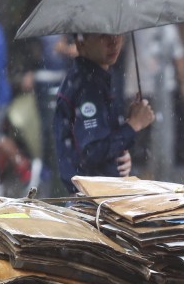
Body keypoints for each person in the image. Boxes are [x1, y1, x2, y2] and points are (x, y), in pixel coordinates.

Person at [53, 33, 155, 192]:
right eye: (103, 36)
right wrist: (133, 125)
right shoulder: (87, 86)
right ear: (81, 43)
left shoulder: (98, 79)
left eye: (118, 34)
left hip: (100, 195)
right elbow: (91, 152)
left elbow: (99, 144)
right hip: (91, 202)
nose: (114, 42)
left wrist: (118, 158)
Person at [122, 24, 184, 179]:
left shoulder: (168, 28)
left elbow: (178, 55)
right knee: (138, 135)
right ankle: (137, 173)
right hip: (136, 88)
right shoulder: (134, 24)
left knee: (161, 133)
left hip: (163, 89)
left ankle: (159, 172)